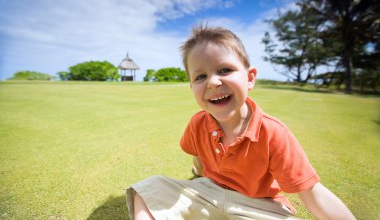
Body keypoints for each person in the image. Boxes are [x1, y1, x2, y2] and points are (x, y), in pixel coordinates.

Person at [126, 26, 356, 220]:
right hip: (209, 191)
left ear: (250, 77)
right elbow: (196, 161)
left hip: (258, 204)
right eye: (200, 76)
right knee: (150, 187)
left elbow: (313, 195)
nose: (213, 82)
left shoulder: (273, 132)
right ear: (191, 87)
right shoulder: (197, 123)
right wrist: (197, 176)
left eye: (225, 70)